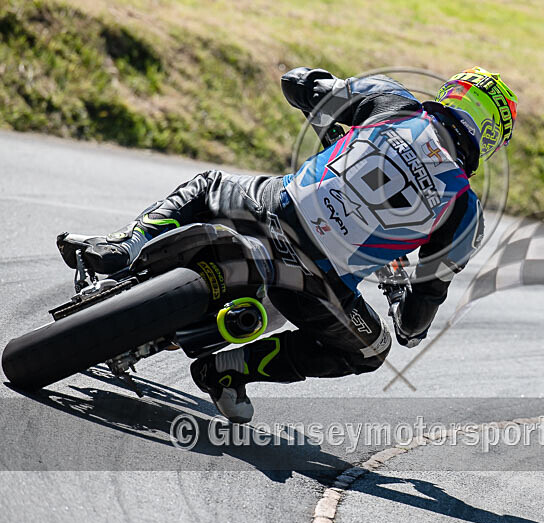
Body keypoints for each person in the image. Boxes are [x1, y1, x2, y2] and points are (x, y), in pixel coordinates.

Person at [57, 67, 518, 422]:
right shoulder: (464, 211)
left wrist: (323, 108)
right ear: (491, 140)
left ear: (450, 93)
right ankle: (228, 369)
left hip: (269, 209)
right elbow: (416, 322)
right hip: (317, 282)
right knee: (372, 351)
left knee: (209, 183)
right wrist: (406, 313)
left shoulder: (390, 100)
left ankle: (127, 244)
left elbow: (297, 82)